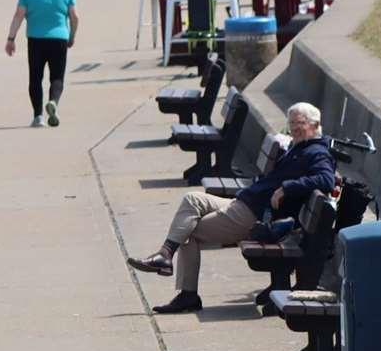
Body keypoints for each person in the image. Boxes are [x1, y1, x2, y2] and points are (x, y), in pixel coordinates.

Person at [127, 102, 334, 313]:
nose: (294, 128)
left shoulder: (317, 152)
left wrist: (286, 188)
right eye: (291, 123)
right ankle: (165, 255)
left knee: (187, 232)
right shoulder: (300, 146)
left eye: (299, 123)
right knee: (192, 198)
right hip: (243, 202)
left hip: (253, 214)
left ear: (315, 124)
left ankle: (187, 294)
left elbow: (327, 180)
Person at [4, 0, 78, 129]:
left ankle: (38, 116)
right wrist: (71, 36)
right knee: (57, 77)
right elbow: (75, 17)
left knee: (35, 78)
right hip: (59, 39)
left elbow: (18, 16)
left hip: (36, 40)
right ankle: (53, 102)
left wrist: (11, 39)